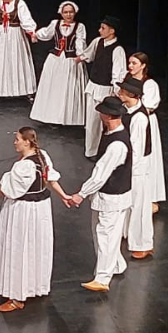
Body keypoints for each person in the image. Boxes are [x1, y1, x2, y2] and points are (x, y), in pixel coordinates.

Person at [0, 128, 71, 312]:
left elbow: (4, 189)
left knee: (18, 247)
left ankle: (17, 297)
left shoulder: (23, 167)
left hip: (23, 211)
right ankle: (35, 285)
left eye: (17, 139)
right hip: (41, 210)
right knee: (35, 246)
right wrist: (63, 195)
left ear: (27, 142)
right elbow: (50, 178)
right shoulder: (42, 155)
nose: (14, 142)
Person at [68, 97, 132, 292]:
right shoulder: (113, 134)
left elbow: (100, 174)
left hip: (112, 197)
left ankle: (103, 279)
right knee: (107, 233)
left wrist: (81, 194)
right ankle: (117, 265)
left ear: (108, 115)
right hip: (114, 196)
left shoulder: (116, 145)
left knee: (105, 235)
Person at [29, 1, 88, 126]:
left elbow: (80, 41)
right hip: (55, 60)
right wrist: (35, 35)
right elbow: (46, 33)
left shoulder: (79, 26)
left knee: (68, 88)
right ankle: (51, 116)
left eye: (70, 12)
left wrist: (80, 54)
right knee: (54, 87)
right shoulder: (55, 23)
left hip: (70, 60)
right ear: (61, 13)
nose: (68, 15)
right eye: (65, 12)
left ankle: (68, 118)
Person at [79, 15, 127, 157]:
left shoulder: (118, 50)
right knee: (92, 122)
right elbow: (88, 55)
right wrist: (78, 59)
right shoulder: (98, 42)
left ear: (112, 31)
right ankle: (91, 151)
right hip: (93, 86)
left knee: (106, 123)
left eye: (103, 28)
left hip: (106, 90)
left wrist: (116, 91)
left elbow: (118, 72)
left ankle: (105, 151)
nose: (100, 30)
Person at [118, 78, 154, 259]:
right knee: (130, 203)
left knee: (139, 206)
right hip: (130, 166)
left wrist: (129, 169)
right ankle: (129, 234)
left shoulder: (139, 117)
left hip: (137, 168)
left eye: (122, 91)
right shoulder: (128, 112)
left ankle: (142, 243)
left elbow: (137, 148)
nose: (119, 93)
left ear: (130, 94)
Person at [125, 52, 165, 211]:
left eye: (134, 63)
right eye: (129, 63)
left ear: (143, 66)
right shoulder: (126, 79)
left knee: (146, 157)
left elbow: (147, 107)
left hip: (144, 122)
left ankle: (150, 198)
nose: (130, 66)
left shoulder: (149, 84)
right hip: (129, 121)